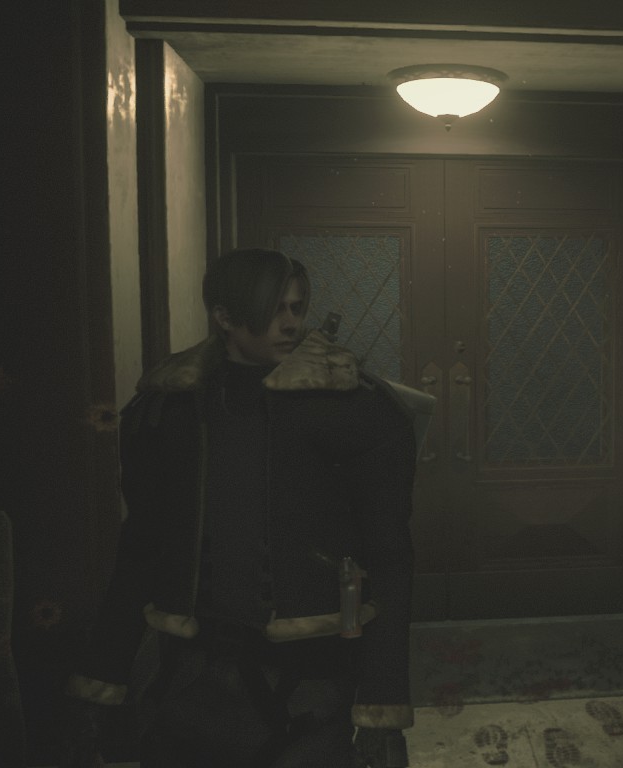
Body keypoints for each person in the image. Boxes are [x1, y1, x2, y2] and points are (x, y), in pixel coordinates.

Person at [60, 247, 418, 767]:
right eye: (274, 309)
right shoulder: (166, 410)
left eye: (296, 307)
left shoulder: (355, 409)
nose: (291, 323)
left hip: (312, 681)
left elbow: (389, 559)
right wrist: (101, 679)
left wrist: (382, 709)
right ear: (225, 317)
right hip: (188, 678)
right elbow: (141, 550)